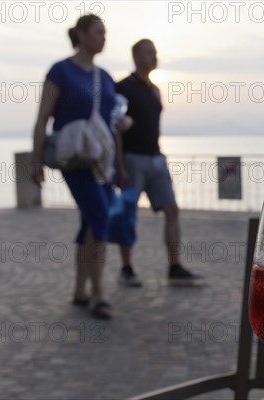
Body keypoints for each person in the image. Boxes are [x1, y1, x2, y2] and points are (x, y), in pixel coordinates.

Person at [31, 14, 129, 319]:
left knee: (90, 221)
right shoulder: (60, 71)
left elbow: (112, 125)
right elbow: (42, 117)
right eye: (99, 32)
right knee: (99, 217)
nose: (104, 37)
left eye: (105, 32)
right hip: (75, 161)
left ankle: (79, 290)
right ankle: (98, 294)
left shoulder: (106, 77)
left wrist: (120, 166)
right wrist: (36, 161)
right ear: (83, 35)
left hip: (104, 161)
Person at [114, 38, 201, 287]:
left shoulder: (154, 89)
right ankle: (126, 268)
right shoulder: (122, 88)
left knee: (172, 210)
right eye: (149, 52)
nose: (155, 56)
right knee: (127, 213)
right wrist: (118, 166)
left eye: (156, 52)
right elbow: (115, 129)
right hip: (132, 159)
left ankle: (174, 266)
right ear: (135, 56)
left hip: (156, 157)